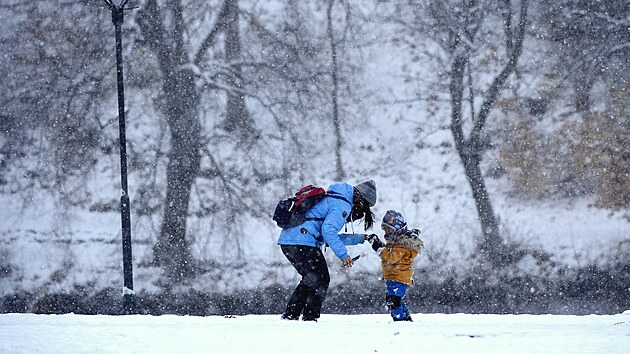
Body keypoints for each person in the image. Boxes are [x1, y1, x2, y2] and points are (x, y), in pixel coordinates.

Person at [277, 180, 377, 321]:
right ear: (361, 201)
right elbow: (328, 232)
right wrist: (343, 255)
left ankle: (291, 315)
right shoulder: (343, 204)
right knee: (321, 279)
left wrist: (361, 238)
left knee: (312, 278)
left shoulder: (335, 198)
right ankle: (309, 317)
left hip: (291, 240)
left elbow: (330, 235)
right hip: (302, 241)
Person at [367, 209, 423, 322]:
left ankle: (400, 320)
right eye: (385, 229)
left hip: (399, 278)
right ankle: (405, 317)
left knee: (393, 301)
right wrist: (377, 242)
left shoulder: (402, 245)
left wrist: (378, 248)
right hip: (392, 277)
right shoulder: (395, 243)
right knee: (394, 300)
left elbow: (391, 258)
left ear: (398, 230)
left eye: (389, 229)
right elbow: (388, 252)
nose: (386, 232)